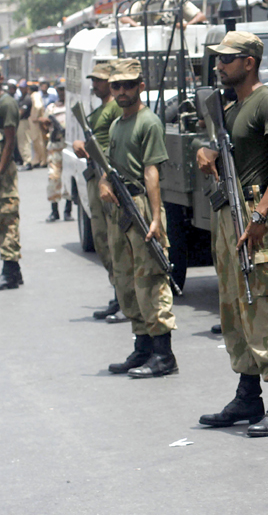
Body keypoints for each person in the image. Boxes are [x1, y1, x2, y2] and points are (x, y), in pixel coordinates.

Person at [196, 31, 268, 438]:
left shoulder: (267, 101)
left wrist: (261, 214)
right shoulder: (231, 107)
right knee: (235, 306)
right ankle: (247, 394)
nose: (220, 65)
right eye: (219, 59)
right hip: (231, 214)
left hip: (255, 214)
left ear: (249, 62)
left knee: (264, 305)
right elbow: (225, 151)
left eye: (227, 58)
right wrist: (208, 153)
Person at [99, 58, 178, 378]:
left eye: (128, 85)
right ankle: (142, 347)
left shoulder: (149, 122)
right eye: (116, 85)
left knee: (151, 279)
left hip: (142, 206)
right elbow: (111, 165)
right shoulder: (117, 124)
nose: (122, 91)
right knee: (126, 278)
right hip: (120, 206)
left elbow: (152, 172)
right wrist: (104, 182)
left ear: (140, 86)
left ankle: (163, 354)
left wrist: (156, 217)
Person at [72, 62, 124, 319]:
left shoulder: (115, 107)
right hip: (95, 173)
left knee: (113, 240)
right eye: (94, 80)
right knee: (102, 239)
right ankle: (118, 293)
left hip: (108, 175)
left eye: (100, 80)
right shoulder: (101, 109)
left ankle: (125, 298)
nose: (95, 84)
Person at [0, 75, 22, 290]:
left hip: (3, 172)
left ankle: (10, 269)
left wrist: (1, 170)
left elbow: (9, 140)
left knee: (7, 215)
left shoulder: (6, 103)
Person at [43, 81, 73, 223]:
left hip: (67, 146)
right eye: (59, 90)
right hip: (55, 147)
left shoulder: (72, 106)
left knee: (68, 180)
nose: (62, 92)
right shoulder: (51, 108)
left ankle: (68, 211)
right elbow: (44, 124)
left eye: (64, 90)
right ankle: (54, 211)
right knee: (53, 178)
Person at [16, 79, 46, 170]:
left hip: (29, 121)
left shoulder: (29, 97)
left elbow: (37, 106)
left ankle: (29, 162)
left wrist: (35, 117)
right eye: (20, 88)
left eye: (23, 88)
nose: (21, 89)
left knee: (27, 142)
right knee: (34, 142)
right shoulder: (23, 97)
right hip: (28, 122)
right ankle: (37, 160)